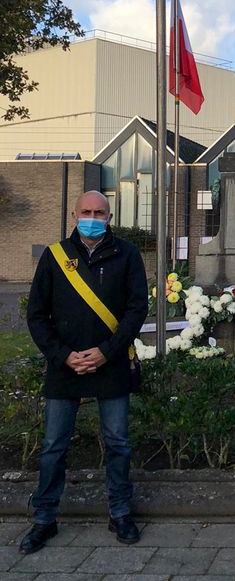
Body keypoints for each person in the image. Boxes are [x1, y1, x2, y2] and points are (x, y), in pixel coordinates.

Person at [20, 191, 148, 554]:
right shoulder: (55, 256)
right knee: (53, 448)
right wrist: (64, 356)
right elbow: (37, 315)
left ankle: (120, 513)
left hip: (110, 366)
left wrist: (106, 353)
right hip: (66, 367)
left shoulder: (127, 254)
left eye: (100, 212)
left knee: (119, 443)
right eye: (86, 212)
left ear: (110, 217)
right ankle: (44, 519)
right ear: (74, 216)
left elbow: (137, 309)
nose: (93, 217)